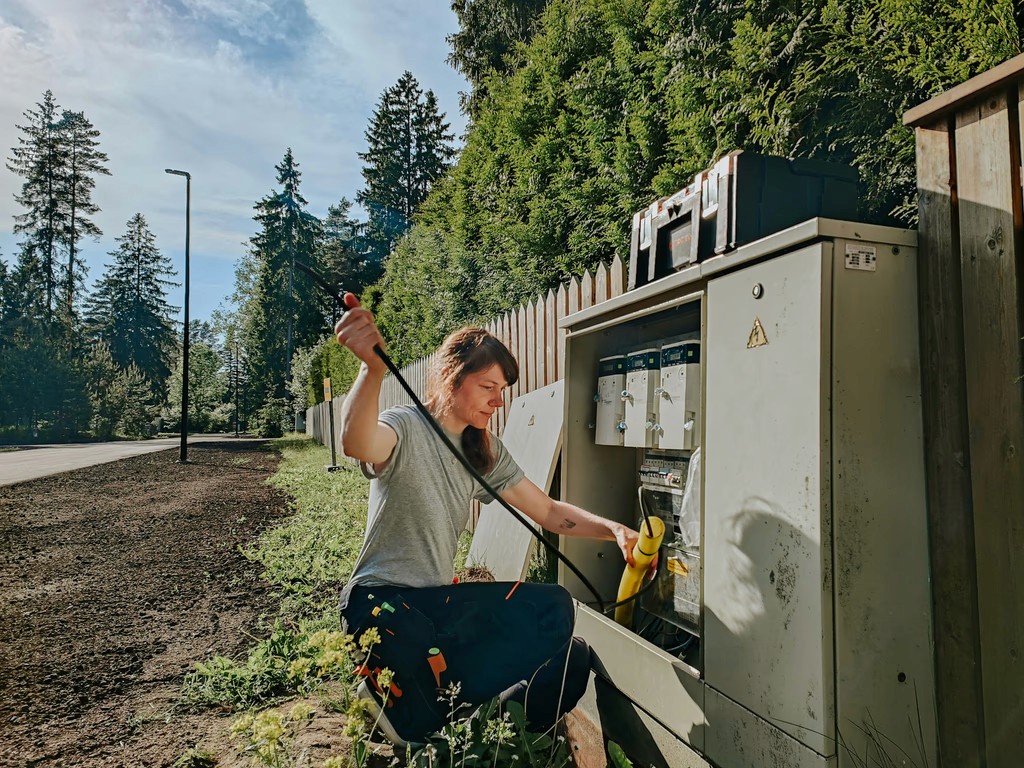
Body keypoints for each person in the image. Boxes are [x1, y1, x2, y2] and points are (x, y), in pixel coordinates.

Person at [334, 293, 640, 747]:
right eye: (488, 386)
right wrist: (372, 370)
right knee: (417, 636)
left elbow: (550, 513)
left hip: (436, 607)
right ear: (451, 378)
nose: (498, 400)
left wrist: (614, 529)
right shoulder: (406, 426)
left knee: (554, 614)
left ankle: (452, 715)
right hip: (379, 603)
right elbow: (357, 442)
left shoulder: (485, 451)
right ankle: (412, 708)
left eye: (503, 390)